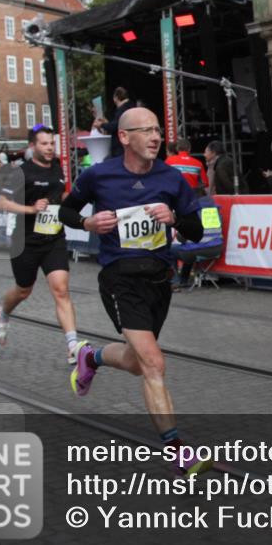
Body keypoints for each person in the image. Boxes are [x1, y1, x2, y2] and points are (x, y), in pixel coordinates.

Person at [58, 107, 210, 476]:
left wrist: (174, 219)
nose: (156, 137)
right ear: (124, 137)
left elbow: (196, 232)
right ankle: (178, 451)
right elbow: (66, 212)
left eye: (158, 130)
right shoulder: (98, 175)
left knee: (134, 362)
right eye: (146, 131)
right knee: (154, 363)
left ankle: (90, 358)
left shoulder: (172, 179)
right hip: (119, 279)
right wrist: (87, 222)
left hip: (160, 279)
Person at [0, 124, 83, 365]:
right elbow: (1, 203)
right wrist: (30, 208)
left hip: (53, 237)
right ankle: (3, 313)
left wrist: (73, 200)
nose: (50, 148)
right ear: (33, 146)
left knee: (61, 289)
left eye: (52, 143)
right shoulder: (21, 172)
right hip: (25, 241)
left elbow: (60, 196)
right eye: (44, 144)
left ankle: (73, 345)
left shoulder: (58, 169)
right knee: (24, 290)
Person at [92, 86, 135, 159]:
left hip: (121, 147)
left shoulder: (122, 109)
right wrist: (105, 123)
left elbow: (114, 126)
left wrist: (101, 124)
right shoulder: (131, 106)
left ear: (115, 98)